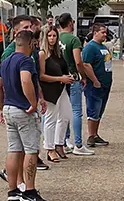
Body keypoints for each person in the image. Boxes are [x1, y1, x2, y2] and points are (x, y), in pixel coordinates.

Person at [0, 30, 49, 201]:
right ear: (31, 43)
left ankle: (13, 190)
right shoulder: (26, 61)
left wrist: (2, 108)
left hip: (9, 108)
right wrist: (33, 103)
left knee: (14, 150)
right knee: (31, 150)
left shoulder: (6, 61)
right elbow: (26, 80)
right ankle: (30, 191)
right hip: (23, 109)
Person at [58, 13, 94, 157]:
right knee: (76, 111)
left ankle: (64, 140)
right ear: (70, 23)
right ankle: (78, 143)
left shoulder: (55, 38)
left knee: (62, 112)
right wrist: (83, 76)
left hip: (59, 78)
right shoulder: (74, 39)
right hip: (72, 76)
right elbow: (78, 61)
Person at [39, 26, 75, 162]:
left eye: (54, 36)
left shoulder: (59, 53)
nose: (52, 39)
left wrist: (68, 76)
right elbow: (42, 76)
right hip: (50, 90)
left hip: (62, 88)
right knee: (50, 118)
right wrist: (60, 79)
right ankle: (49, 148)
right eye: (49, 36)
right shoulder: (43, 54)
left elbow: (63, 69)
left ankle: (59, 143)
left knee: (66, 115)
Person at [81, 24, 113, 147]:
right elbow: (86, 65)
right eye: (102, 32)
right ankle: (90, 135)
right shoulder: (90, 47)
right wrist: (95, 80)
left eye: (105, 33)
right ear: (95, 33)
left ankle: (95, 134)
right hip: (95, 85)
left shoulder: (103, 47)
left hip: (105, 84)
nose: (105, 35)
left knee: (100, 110)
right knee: (93, 109)